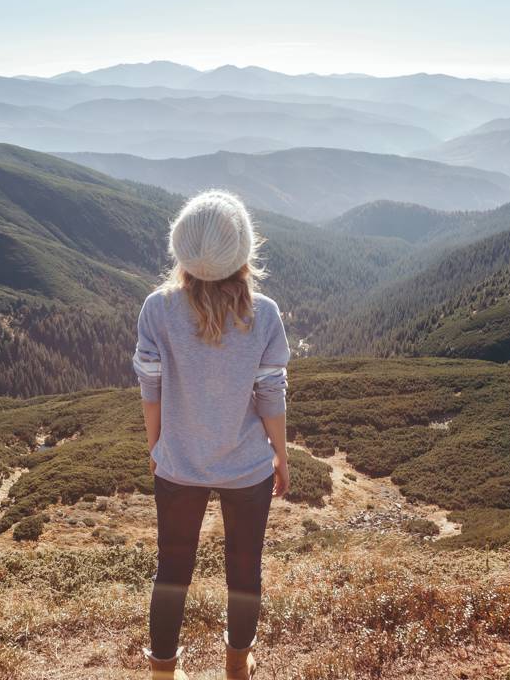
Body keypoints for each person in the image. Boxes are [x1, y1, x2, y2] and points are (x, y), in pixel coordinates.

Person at [133, 190, 291, 680]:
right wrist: (281, 456)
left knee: (172, 567)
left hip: (179, 461)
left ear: (179, 248)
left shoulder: (157, 310)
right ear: (243, 251)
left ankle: (163, 670)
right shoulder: (263, 313)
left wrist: (157, 446)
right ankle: (237, 665)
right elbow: (270, 395)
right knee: (245, 567)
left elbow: (151, 388)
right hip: (246, 466)